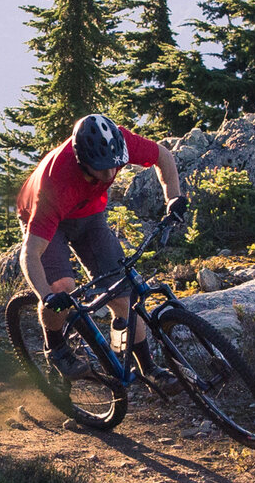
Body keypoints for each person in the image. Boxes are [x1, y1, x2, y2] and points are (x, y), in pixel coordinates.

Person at [15, 113, 185, 375]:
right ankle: (56, 346)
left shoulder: (120, 143)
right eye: (101, 167)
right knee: (63, 289)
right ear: (82, 162)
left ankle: (148, 369)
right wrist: (47, 297)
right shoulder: (54, 185)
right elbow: (30, 253)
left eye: (114, 165)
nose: (109, 174)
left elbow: (163, 156)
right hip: (48, 217)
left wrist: (173, 197)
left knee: (123, 295)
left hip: (88, 214)